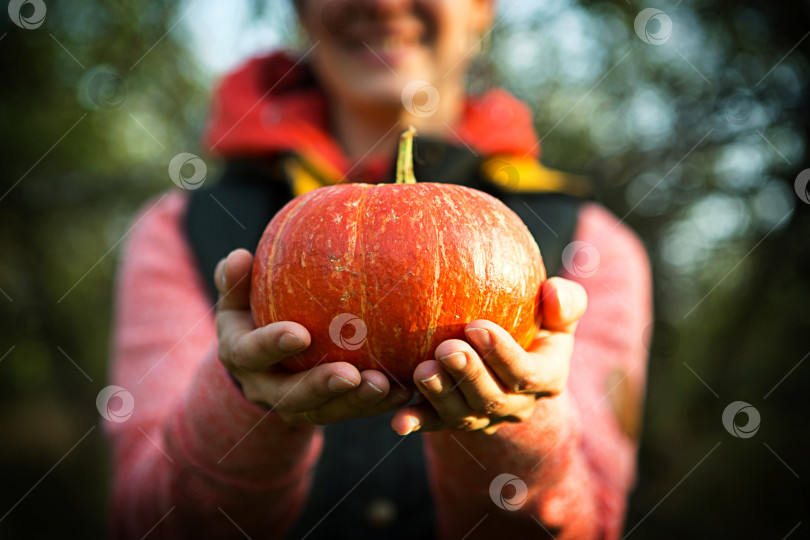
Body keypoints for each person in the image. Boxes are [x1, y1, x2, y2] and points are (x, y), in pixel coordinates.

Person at [106, 0, 652, 538]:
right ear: (301, 10)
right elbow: (146, 523)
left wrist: (517, 427)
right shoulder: (180, 227)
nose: (382, 2)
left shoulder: (593, 243)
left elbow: (595, 526)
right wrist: (243, 404)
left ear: (483, 8)